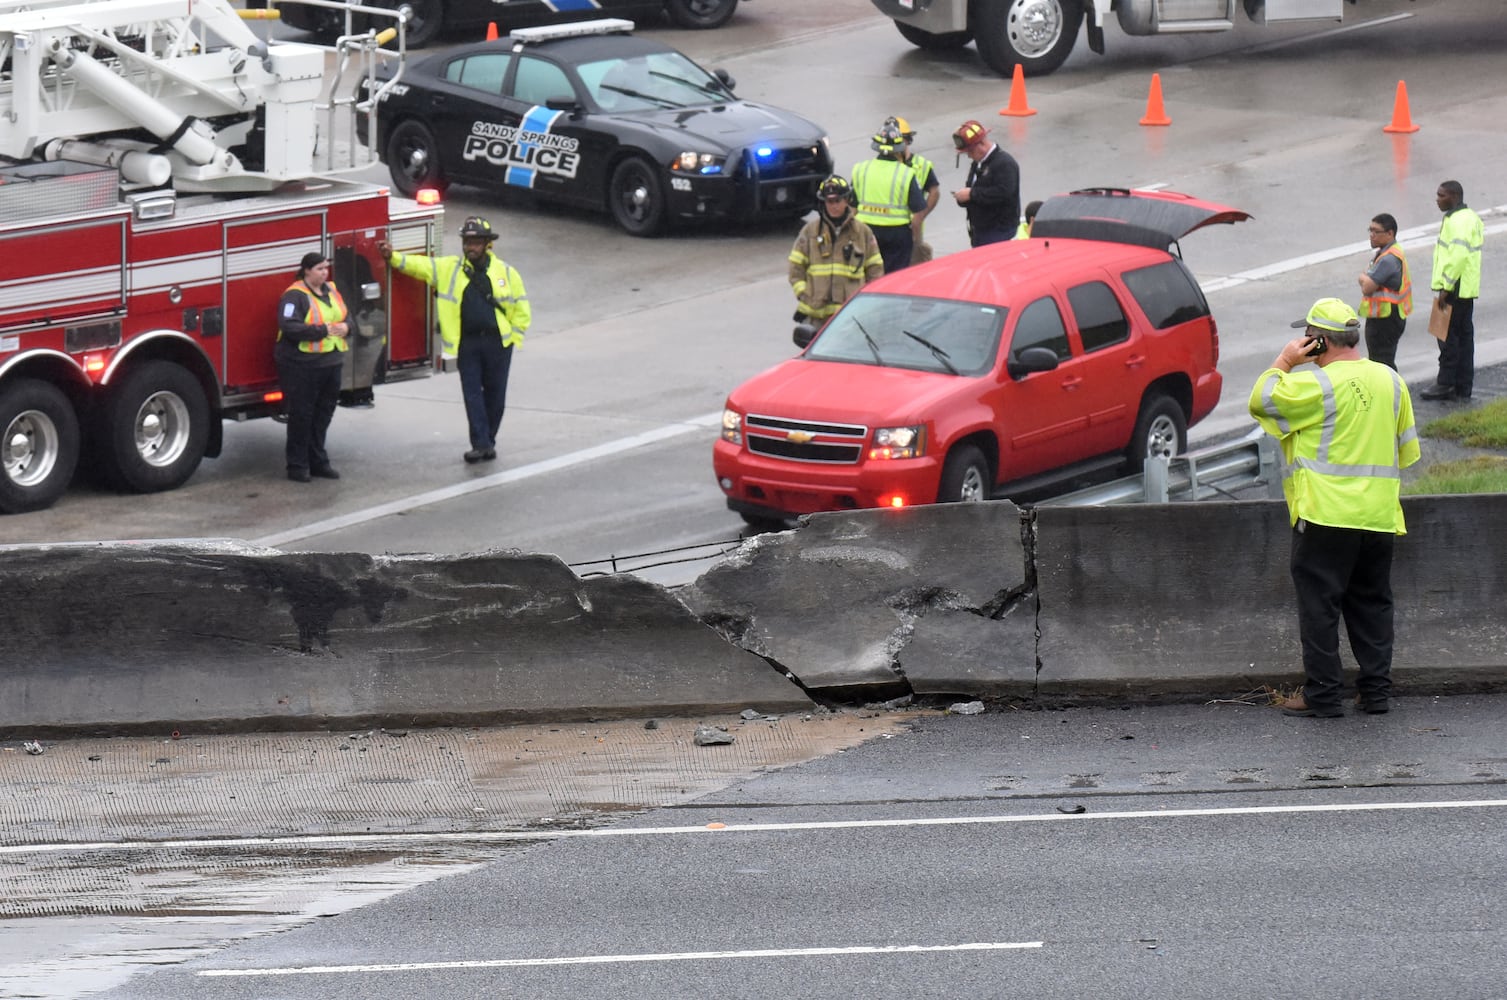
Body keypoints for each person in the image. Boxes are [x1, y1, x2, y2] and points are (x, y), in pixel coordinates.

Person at [1248, 298, 1420, 718]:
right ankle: (1375, 694)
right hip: (1378, 517)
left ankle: (1323, 696)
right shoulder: (1391, 380)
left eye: (1308, 336)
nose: (1303, 342)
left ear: (1320, 342)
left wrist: (1285, 360)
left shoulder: (1318, 385)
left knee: (1320, 607)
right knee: (1373, 604)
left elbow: (1262, 400)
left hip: (1325, 515)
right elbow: (1406, 451)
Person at [378, 216, 530, 464]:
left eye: (476, 242)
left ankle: (489, 440)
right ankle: (480, 444)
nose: (470, 247)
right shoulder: (449, 268)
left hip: (498, 344)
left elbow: (521, 307)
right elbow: (420, 266)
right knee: (472, 395)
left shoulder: (506, 273)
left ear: (487, 244)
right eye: (467, 242)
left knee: (496, 396)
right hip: (467, 344)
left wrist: (515, 336)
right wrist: (393, 257)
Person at [275, 251, 351, 483]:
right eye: (319, 269)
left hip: (331, 362)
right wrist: (322, 330)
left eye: (326, 268)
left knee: (323, 415)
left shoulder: (332, 290)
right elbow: (289, 326)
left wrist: (347, 328)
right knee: (302, 416)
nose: (324, 273)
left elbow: (347, 317)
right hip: (303, 365)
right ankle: (297, 466)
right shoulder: (294, 295)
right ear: (307, 271)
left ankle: (318, 461)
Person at [788, 175, 883, 326]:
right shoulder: (810, 231)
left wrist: (866, 303)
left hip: (851, 316)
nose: (834, 206)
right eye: (829, 202)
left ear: (846, 200)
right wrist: (805, 294)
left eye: (838, 201)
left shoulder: (862, 232)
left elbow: (875, 271)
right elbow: (795, 268)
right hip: (816, 317)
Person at [1421, 180, 1484, 400]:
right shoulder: (1469, 217)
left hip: (1454, 288)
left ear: (1454, 196)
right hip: (1465, 289)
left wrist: (1445, 288)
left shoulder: (1458, 221)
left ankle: (1446, 383)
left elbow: (1457, 256)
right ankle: (1462, 386)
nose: (1437, 199)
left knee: (1446, 336)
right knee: (1464, 337)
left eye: (1441, 195)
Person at [851, 119, 927, 275]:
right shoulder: (906, 173)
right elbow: (918, 214)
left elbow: (851, 208)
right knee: (895, 279)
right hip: (897, 235)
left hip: (866, 232)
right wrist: (917, 242)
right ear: (898, 148)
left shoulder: (861, 169)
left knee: (867, 276)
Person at [950, 119, 1019, 248]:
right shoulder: (978, 163)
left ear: (981, 144)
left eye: (970, 152)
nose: (969, 156)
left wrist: (971, 194)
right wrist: (963, 198)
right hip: (980, 232)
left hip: (999, 233)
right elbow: (973, 189)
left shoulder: (1004, 163)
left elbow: (1003, 193)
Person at [1356, 213, 1411, 371]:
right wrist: (1365, 277)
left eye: (1376, 231)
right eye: (1370, 231)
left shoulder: (1388, 259)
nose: (1371, 235)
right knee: (1382, 361)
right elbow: (1366, 277)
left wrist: (1364, 277)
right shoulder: (1386, 252)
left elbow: (1367, 287)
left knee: (1382, 363)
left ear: (1390, 233)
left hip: (1386, 319)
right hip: (1386, 317)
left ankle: (1391, 393)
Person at [889, 116, 940, 265]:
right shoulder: (881, 165)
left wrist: (921, 215)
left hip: (912, 232)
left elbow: (934, 191)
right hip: (885, 231)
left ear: (907, 140)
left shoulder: (921, 164)